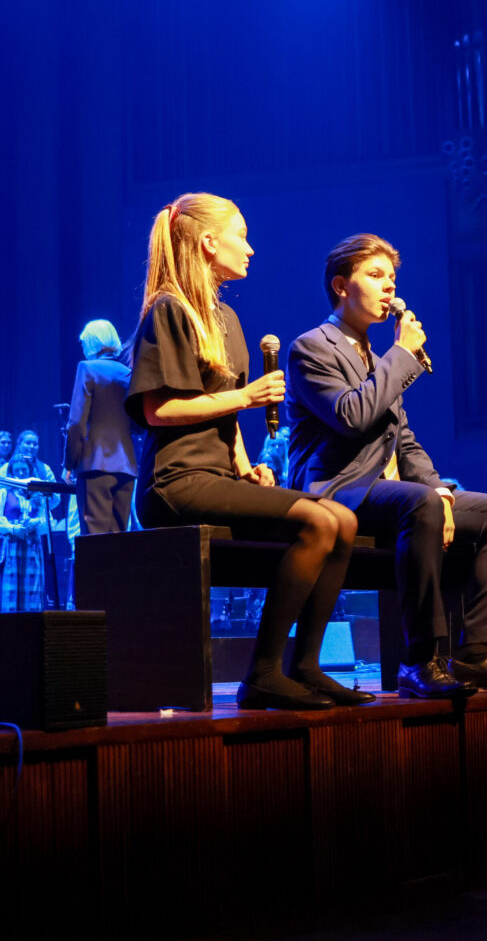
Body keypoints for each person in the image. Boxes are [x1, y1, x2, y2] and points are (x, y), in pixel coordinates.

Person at [125, 192, 369, 710]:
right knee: (319, 522)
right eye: (241, 235)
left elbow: (225, 416)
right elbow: (157, 411)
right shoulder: (169, 311)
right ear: (210, 243)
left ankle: (305, 666)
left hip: (218, 475)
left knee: (343, 521)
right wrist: (245, 395)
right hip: (175, 481)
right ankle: (262, 673)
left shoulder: (227, 320)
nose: (250, 248)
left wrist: (245, 464)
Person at [286, 232, 487, 695]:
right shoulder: (312, 347)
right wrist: (402, 354)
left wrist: (441, 489)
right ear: (341, 286)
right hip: (338, 491)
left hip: (401, 496)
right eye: (375, 275)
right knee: (420, 503)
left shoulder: (376, 355)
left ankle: (477, 653)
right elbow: (352, 416)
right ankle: (420, 659)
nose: (389, 287)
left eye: (392, 277)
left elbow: (403, 440)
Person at [62, 319, 138, 534]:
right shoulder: (128, 373)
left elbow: (76, 423)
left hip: (94, 464)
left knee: (95, 539)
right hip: (127, 467)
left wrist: (70, 462)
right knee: (119, 539)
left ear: (92, 343)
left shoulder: (87, 368)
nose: (83, 348)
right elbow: (136, 424)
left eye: (84, 343)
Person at [0, 455, 45, 611]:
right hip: (12, 545)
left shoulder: (38, 494)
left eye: (23, 470)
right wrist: (13, 529)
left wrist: (36, 522)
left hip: (32, 545)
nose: (20, 473)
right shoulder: (4, 493)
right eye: (16, 470)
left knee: (32, 589)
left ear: (29, 471)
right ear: (11, 472)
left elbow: (47, 519)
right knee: (12, 589)